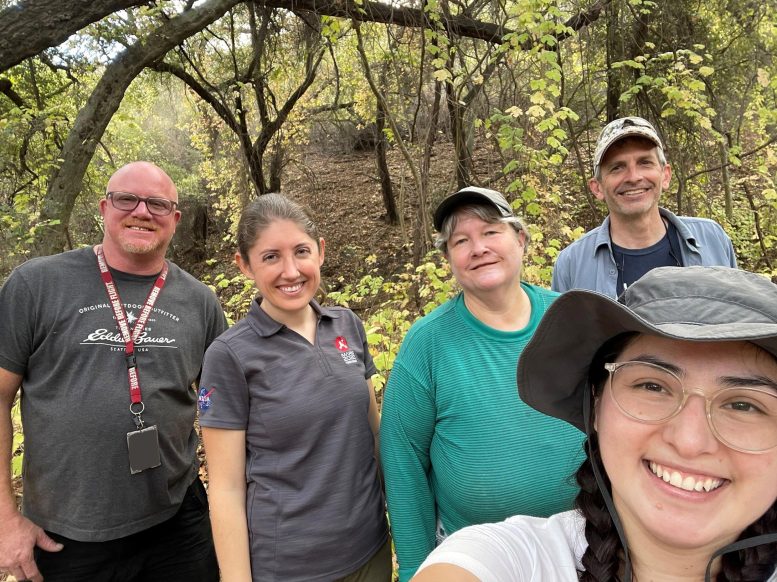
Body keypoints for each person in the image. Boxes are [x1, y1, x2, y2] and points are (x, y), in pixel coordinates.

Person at [414, 265, 777, 582]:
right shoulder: (511, 560)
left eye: (744, 405)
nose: (689, 440)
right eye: (652, 385)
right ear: (596, 404)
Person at [0, 162, 227, 582]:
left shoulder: (200, 301)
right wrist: (4, 520)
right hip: (66, 535)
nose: (142, 211)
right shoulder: (36, 284)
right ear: (104, 207)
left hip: (178, 524)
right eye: (127, 199)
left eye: (157, 203)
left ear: (174, 219)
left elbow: (228, 411)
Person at [380, 186, 586, 581]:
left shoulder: (569, 318)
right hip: (475, 559)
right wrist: (412, 568)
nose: (479, 248)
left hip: (583, 544)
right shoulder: (427, 344)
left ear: (520, 239)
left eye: (491, 232)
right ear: (448, 260)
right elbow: (402, 460)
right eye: (461, 241)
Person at [198, 193, 390, 582]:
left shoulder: (346, 325)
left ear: (320, 252)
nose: (290, 271)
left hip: (370, 550)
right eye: (271, 256)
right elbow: (226, 489)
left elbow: (373, 434)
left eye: (301, 251)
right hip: (290, 566)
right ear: (244, 264)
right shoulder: (230, 355)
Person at [552, 116, 736, 297]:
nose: (633, 177)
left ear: (665, 175)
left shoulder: (712, 240)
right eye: (617, 167)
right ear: (597, 187)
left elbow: (742, 321)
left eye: (645, 163)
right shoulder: (572, 265)